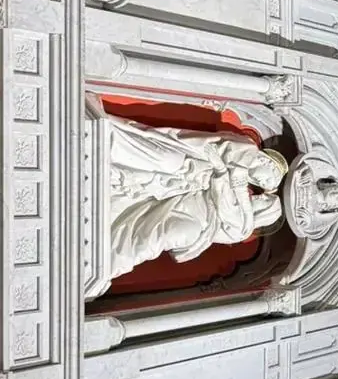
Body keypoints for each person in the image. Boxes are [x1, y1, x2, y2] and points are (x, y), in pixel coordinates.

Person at [106, 116, 288, 282]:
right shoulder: (246, 149)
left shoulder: (243, 227)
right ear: (266, 162)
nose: (260, 186)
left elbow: (225, 202)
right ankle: (109, 147)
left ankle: (111, 259)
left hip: (197, 212)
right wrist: (220, 173)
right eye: (266, 182)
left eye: (263, 198)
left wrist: (222, 173)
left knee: (171, 233)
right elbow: (212, 151)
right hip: (191, 163)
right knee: (166, 161)